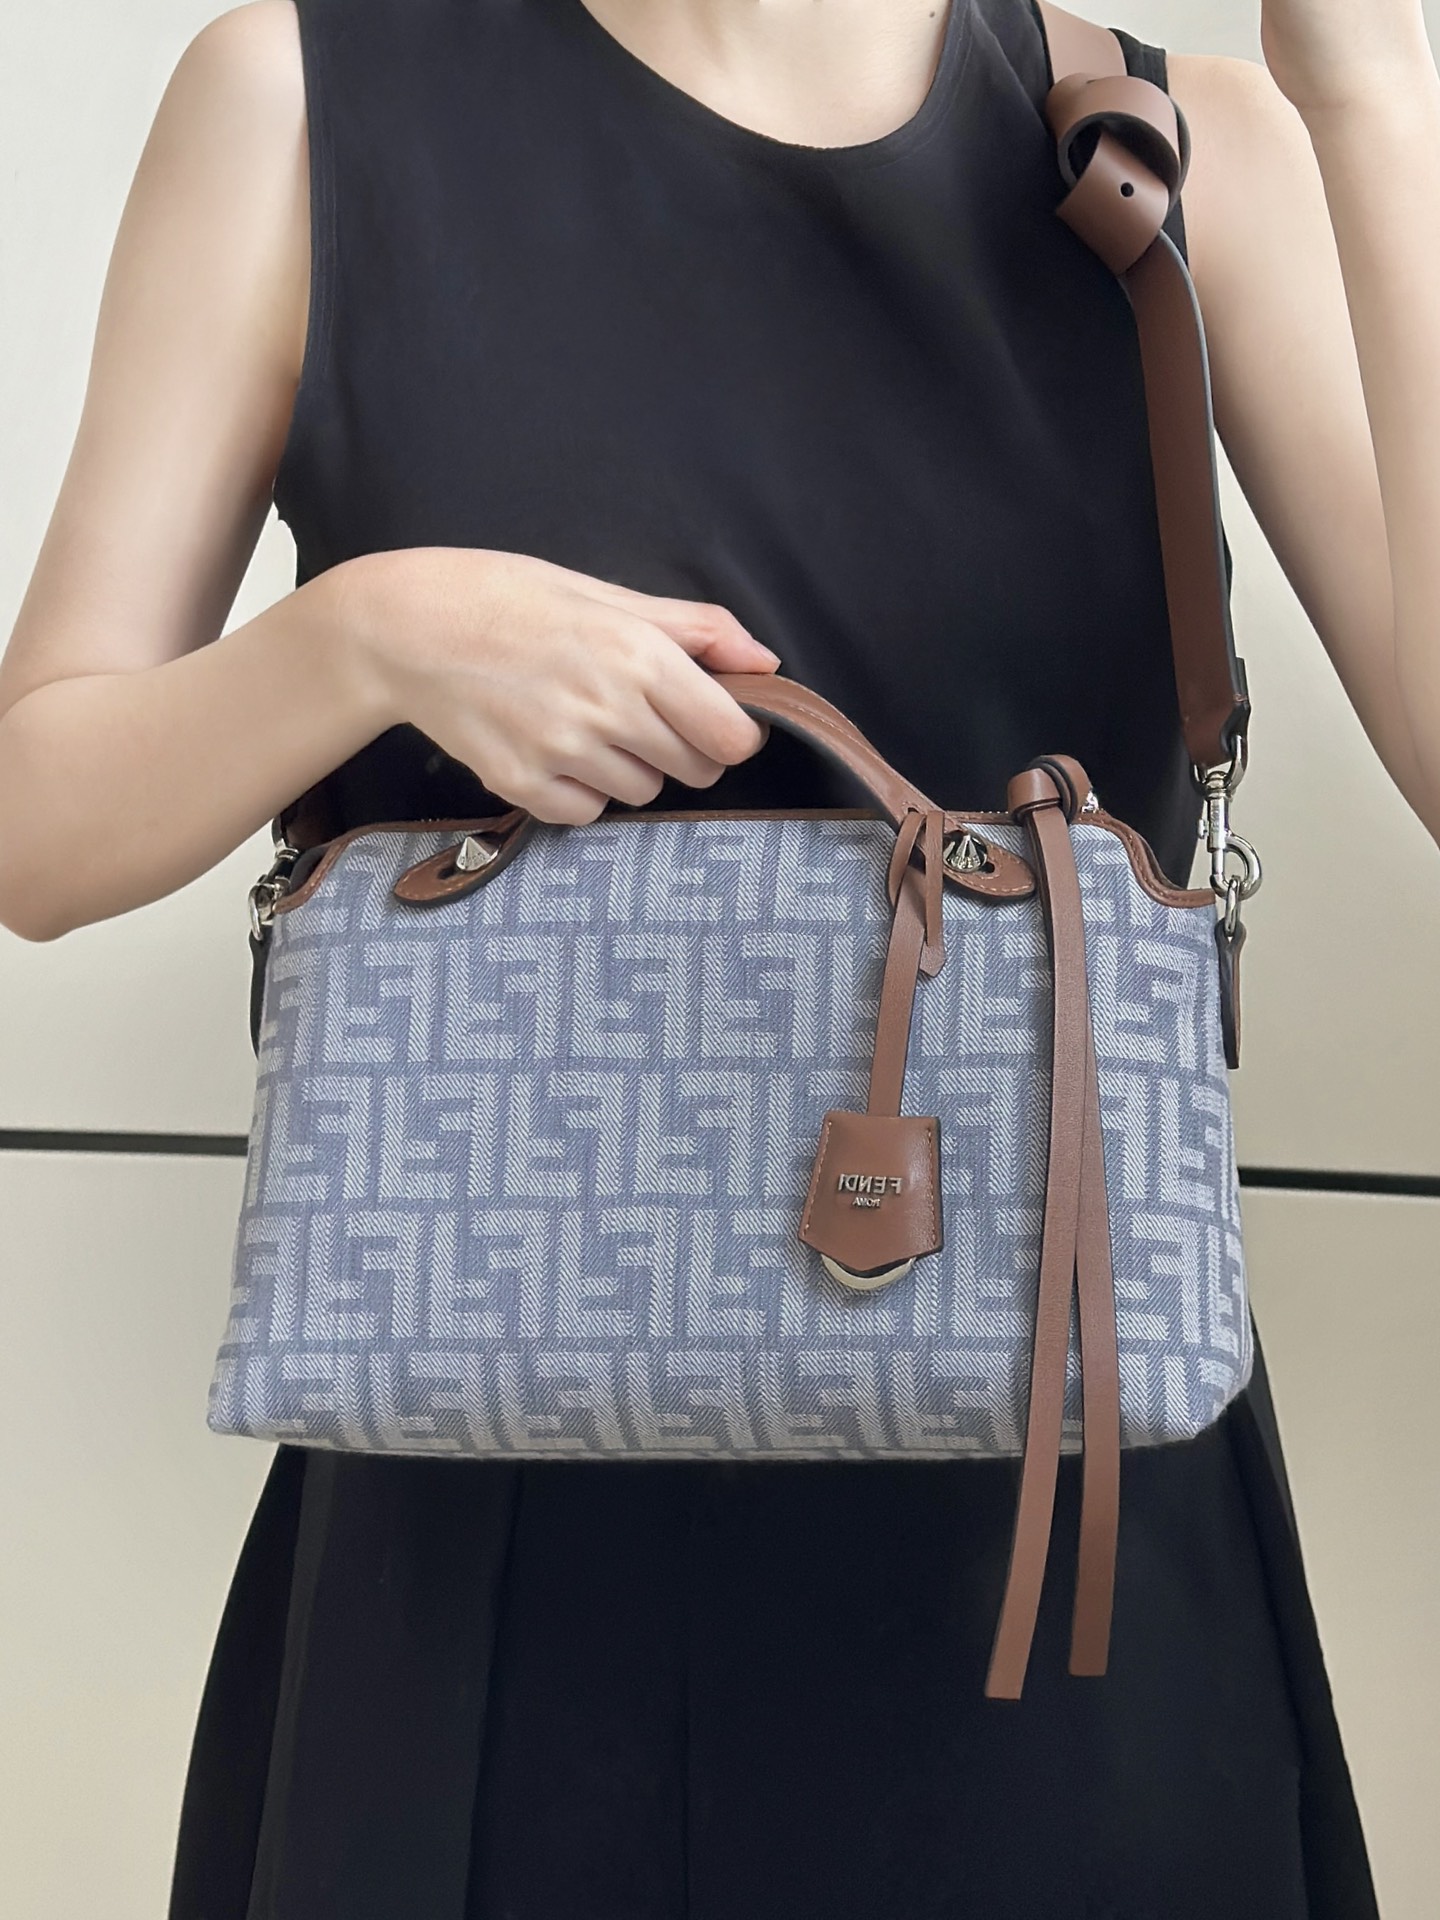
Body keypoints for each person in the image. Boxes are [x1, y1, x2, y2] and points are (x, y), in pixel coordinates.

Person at [3, 0, 1435, 1912]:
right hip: (479, 1568)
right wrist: (363, 640)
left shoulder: (1176, 153)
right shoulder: (305, 96)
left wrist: (1372, 90)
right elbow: (35, 826)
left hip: (1064, 1553)